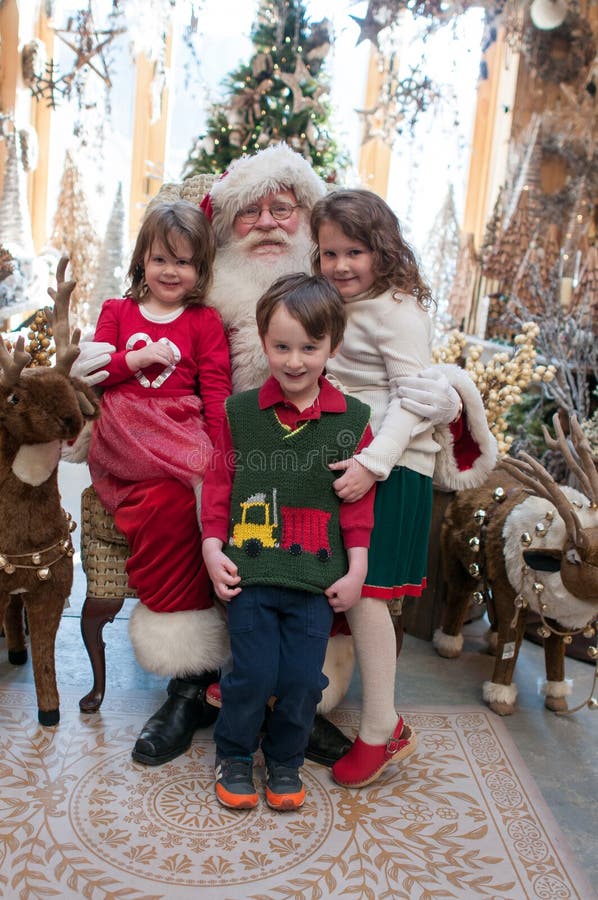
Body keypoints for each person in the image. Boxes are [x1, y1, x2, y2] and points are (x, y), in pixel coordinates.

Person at [74, 143, 496, 768]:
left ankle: (293, 695)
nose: (268, 222)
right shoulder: (198, 288)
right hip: (212, 445)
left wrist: (434, 392)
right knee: (177, 498)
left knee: (323, 504)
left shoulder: (340, 292)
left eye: (284, 208)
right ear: (223, 226)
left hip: (313, 446)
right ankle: (192, 683)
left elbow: (392, 366)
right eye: (251, 212)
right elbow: (140, 341)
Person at [200, 273, 376, 810]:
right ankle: (233, 754)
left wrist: (357, 569)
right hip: (249, 576)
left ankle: (284, 762)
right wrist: (212, 549)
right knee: (251, 673)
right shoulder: (240, 413)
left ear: (332, 347)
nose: (295, 361)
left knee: (302, 679)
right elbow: (218, 487)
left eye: (309, 347)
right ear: (263, 341)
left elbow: (358, 505)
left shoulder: (354, 423)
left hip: (314, 582)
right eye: (281, 347)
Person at [307, 188, 448, 786]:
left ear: (382, 251)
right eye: (328, 252)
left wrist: (375, 462)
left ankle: (381, 728)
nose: (340, 265)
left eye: (354, 252)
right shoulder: (340, 302)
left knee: (367, 594)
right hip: (355, 461)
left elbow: (414, 402)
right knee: (332, 576)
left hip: (394, 465)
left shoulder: (397, 310)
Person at [86, 200, 233, 765]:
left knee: (207, 495)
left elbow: (215, 392)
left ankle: (213, 675)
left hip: (181, 426)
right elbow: (97, 371)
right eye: (161, 259)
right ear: (142, 259)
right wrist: (139, 354)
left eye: (186, 263)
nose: (172, 272)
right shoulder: (118, 311)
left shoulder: (204, 322)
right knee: (173, 496)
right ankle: (188, 683)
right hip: (127, 431)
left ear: (202, 270)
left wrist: (221, 455)